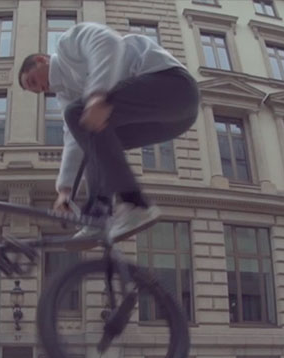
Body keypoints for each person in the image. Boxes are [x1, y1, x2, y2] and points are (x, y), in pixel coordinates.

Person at [18, 22, 200, 247]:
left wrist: (96, 96)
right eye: (35, 90)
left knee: (79, 115)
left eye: (34, 81)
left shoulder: (67, 44)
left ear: (40, 60)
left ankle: (134, 203)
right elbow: (73, 140)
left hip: (173, 87)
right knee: (92, 138)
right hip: (169, 121)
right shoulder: (65, 95)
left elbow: (108, 41)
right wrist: (64, 191)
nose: (40, 89)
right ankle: (99, 216)